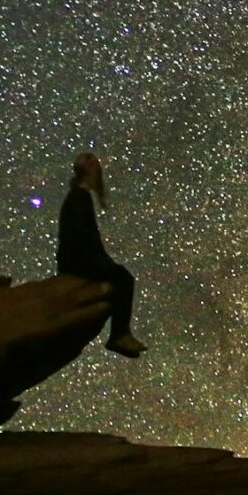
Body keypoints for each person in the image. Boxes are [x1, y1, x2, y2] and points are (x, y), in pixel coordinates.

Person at [57, 152, 143, 356]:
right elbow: (84, 237)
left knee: (119, 274)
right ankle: (119, 335)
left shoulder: (78, 196)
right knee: (124, 278)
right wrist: (102, 262)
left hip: (73, 259)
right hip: (79, 261)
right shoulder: (80, 197)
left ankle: (121, 334)